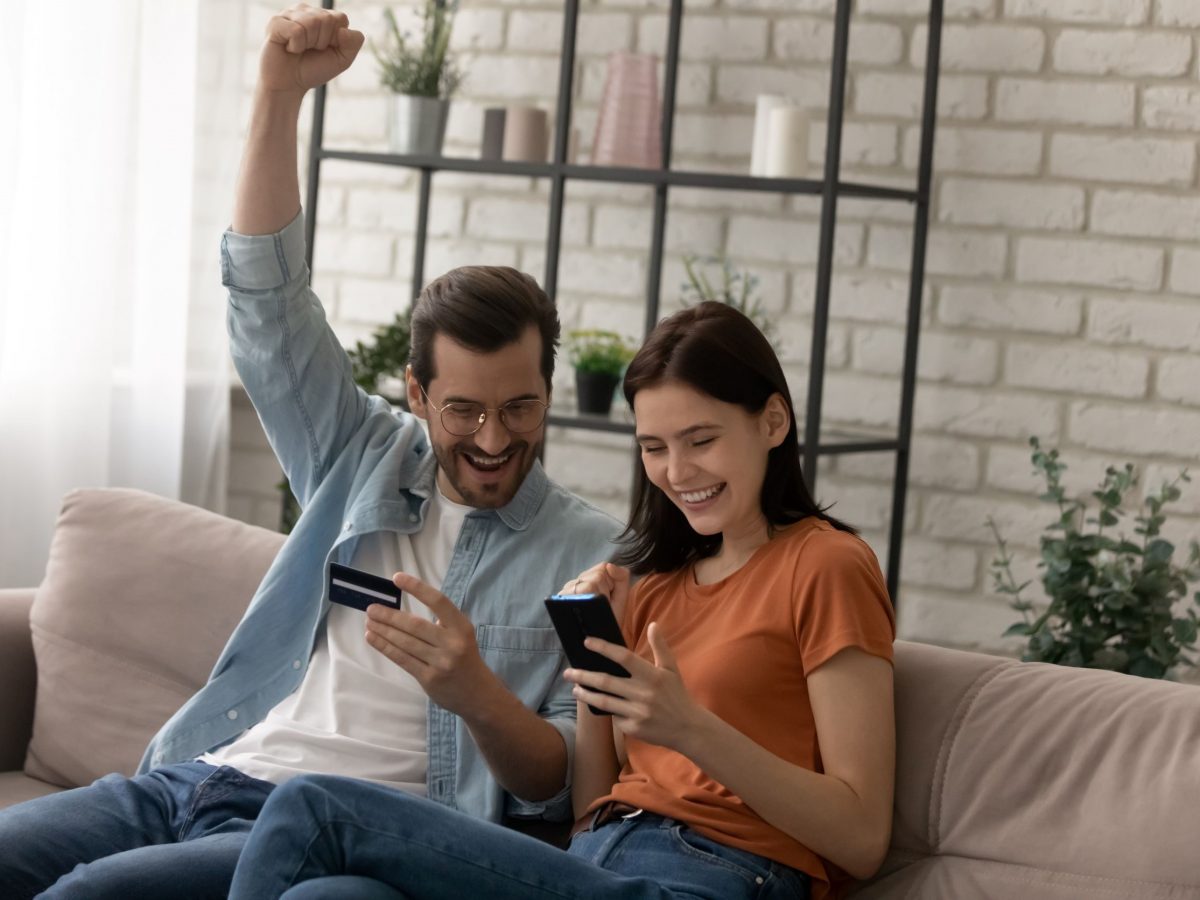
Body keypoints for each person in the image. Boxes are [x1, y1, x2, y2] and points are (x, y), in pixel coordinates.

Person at [0, 6, 618, 899]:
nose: (495, 440)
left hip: (343, 829)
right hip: (200, 774)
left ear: (551, 391)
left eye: (521, 407)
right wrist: (277, 96)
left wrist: (474, 688)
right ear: (416, 394)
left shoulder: (588, 554)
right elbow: (267, 307)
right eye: (464, 411)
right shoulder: (361, 452)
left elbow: (563, 777)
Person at [226, 300, 898, 900]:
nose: (678, 473)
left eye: (702, 440)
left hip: (716, 875)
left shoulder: (827, 565)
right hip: (599, 859)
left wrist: (690, 727)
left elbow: (862, 837)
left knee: (314, 808)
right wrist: (590, 652)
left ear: (773, 421)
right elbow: (588, 808)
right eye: (655, 448)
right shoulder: (651, 584)